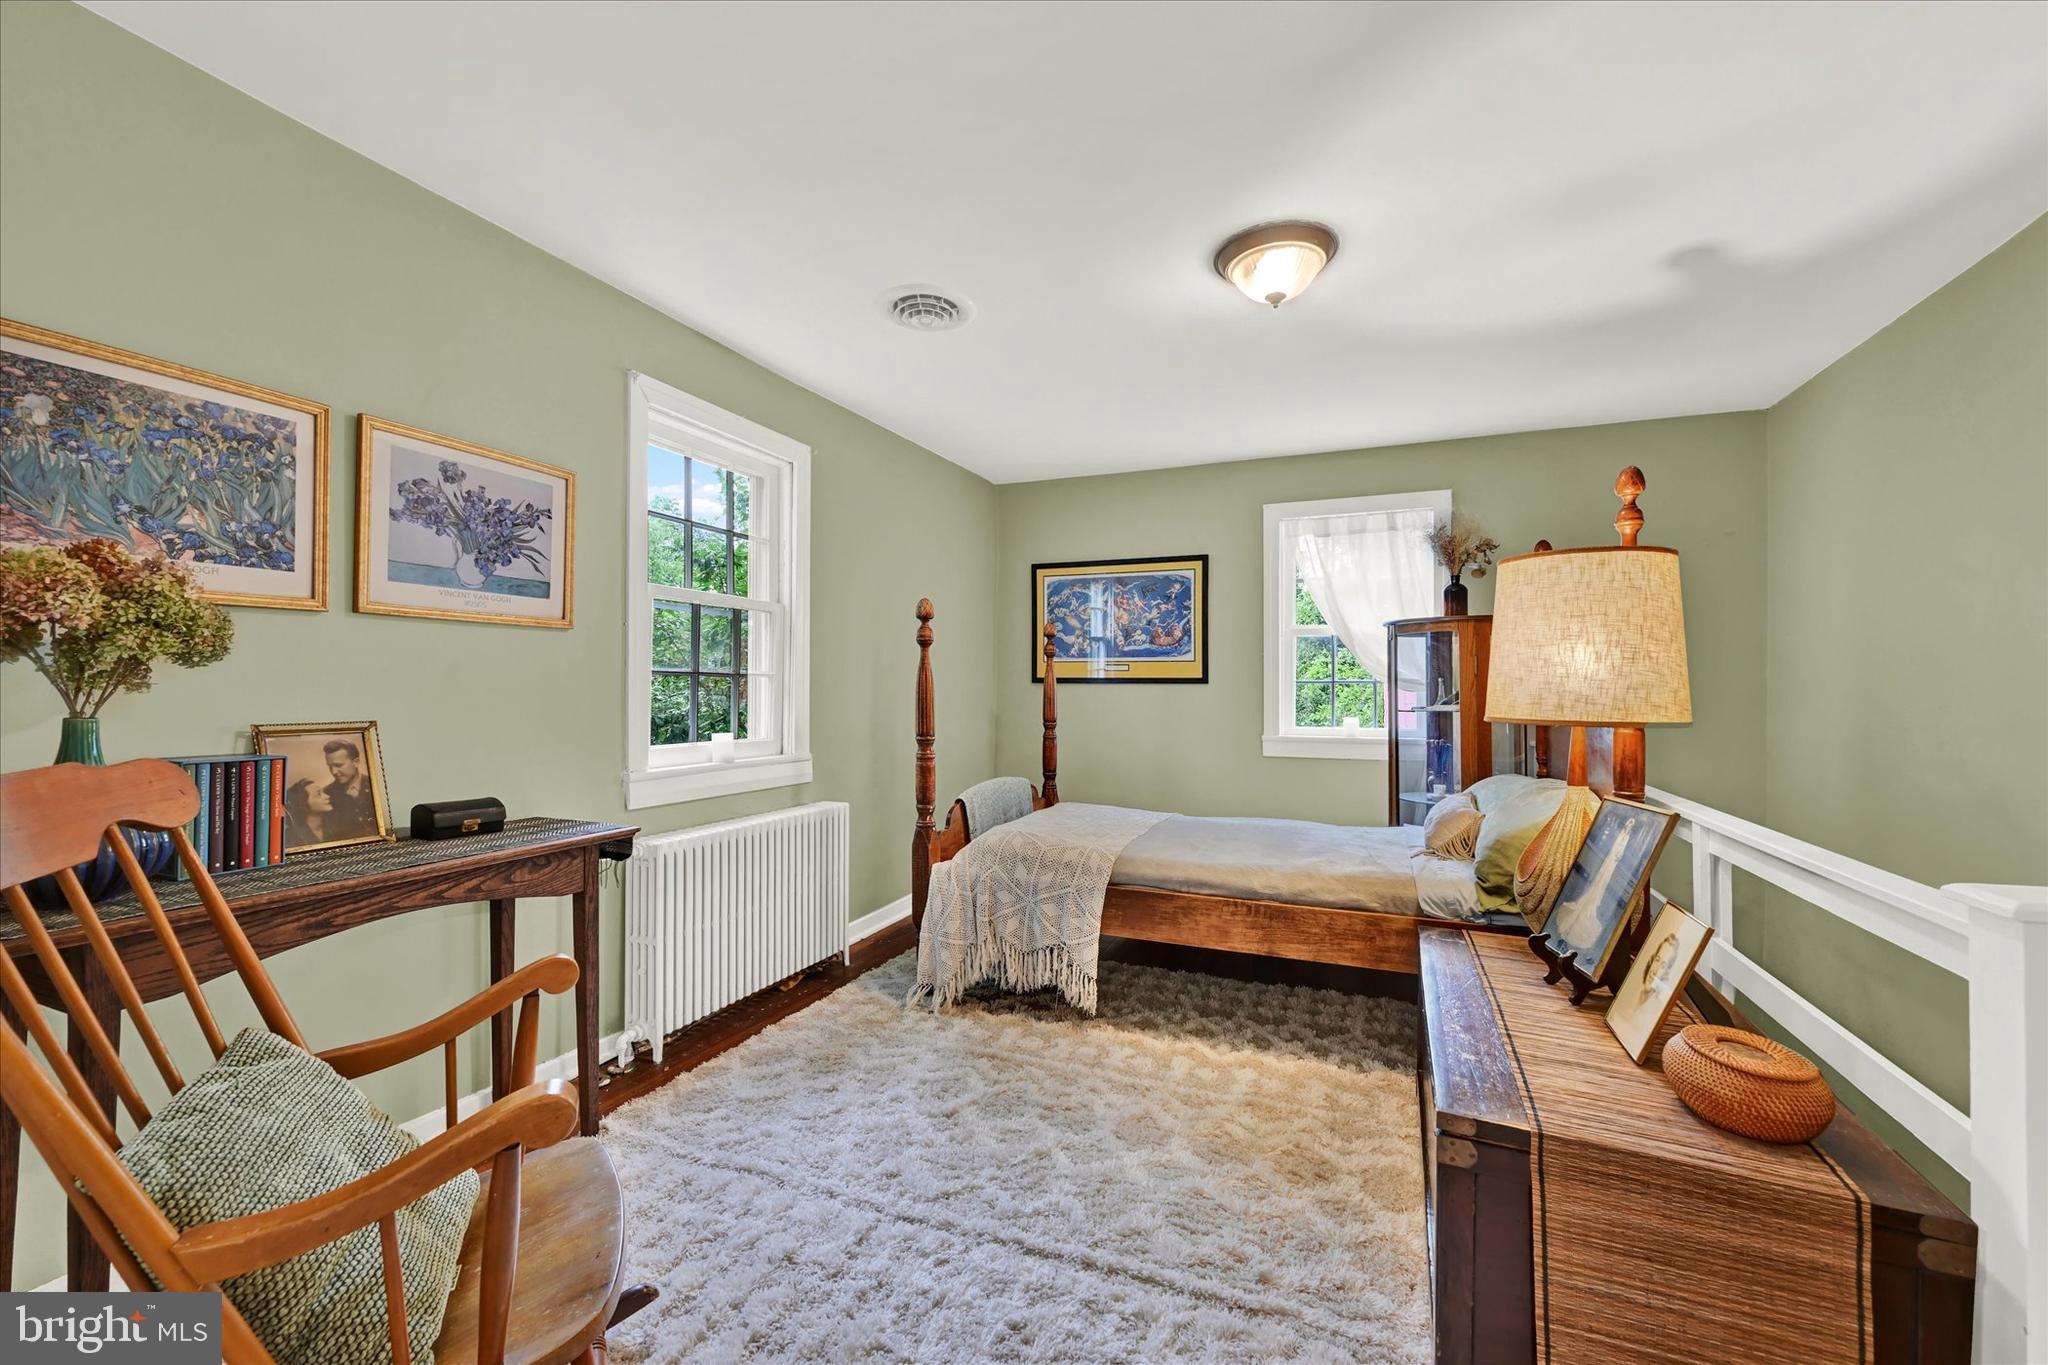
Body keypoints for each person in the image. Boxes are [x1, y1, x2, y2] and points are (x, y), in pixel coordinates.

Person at [320, 738, 380, 839]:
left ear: (356, 762)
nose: (334, 772)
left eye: (338, 765)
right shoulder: (326, 795)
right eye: (330, 766)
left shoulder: (376, 785)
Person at [283, 777, 332, 848]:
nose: (327, 796)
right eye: (319, 794)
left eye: (323, 792)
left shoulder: (334, 824)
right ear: (303, 803)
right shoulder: (291, 836)